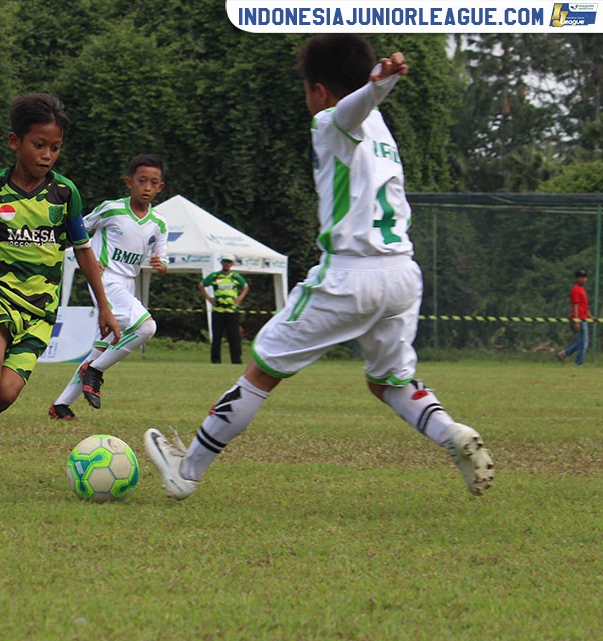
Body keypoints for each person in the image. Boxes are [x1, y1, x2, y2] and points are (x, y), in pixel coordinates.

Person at [144, 35, 494, 500]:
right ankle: (451, 433)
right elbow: (360, 110)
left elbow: (346, 113)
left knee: (263, 370)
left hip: (351, 275)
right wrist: (378, 88)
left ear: (322, 91)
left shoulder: (331, 120)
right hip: (402, 275)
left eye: (307, 90)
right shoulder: (382, 131)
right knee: (388, 381)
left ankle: (186, 471)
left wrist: (377, 85)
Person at [0, 93, 120, 488]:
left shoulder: (66, 194)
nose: (47, 155)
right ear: (14, 141)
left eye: (55, 148)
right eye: (39, 145)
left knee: (2, 394)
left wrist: (104, 307)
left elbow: (85, 253)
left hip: (40, 311)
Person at [49, 154, 169, 420]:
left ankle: (61, 405)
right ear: (129, 182)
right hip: (104, 281)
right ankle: (94, 371)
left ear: (160, 187)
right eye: (141, 181)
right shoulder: (112, 209)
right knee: (147, 327)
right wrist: (87, 258)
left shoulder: (159, 223)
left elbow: (163, 255)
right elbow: (80, 228)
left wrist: (162, 265)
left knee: (102, 348)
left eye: (153, 183)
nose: (147, 187)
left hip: (127, 286)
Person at [199, 255, 249, 364]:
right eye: (225, 262)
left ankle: (236, 360)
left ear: (231, 264)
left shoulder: (235, 277)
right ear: (221, 263)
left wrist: (240, 298)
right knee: (216, 337)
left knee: (234, 337)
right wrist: (209, 298)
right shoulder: (214, 276)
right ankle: (215, 360)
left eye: (229, 262)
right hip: (218, 311)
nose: (226, 264)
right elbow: (201, 285)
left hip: (232, 311)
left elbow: (245, 286)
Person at [557, 268, 593, 365]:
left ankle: (563, 354)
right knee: (583, 343)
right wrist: (576, 321)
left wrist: (591, 317)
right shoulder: (576, 290)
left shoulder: (582, 289)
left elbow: (585, 306)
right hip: (579, 319)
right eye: (581, 277)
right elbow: (575, 306)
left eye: (585, 277)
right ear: (577, 279)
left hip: (584, 318)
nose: (584, 279)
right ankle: (578, 363)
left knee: (583, 343)